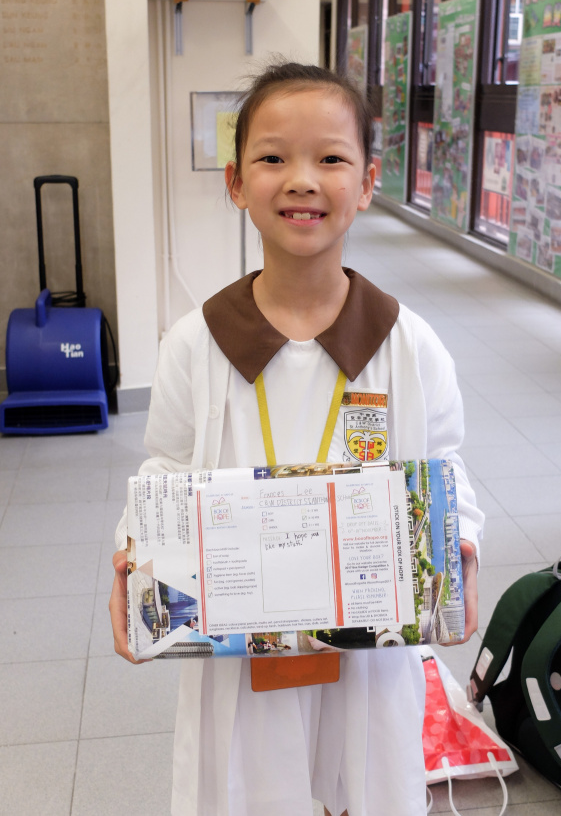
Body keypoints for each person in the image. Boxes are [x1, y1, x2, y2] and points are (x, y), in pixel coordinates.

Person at [109, 61, 484, 816]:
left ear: (368, 181)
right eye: (273, 157)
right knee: (250, 787)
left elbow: (444, 467)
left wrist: (461, 544)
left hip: (368, 650)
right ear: (236, 182)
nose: (302, 180)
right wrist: (135, 557)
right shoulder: (195, 344)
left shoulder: (409, 345)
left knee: (365, 780)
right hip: (240, 653)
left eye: (331, 158)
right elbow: (166, 469)